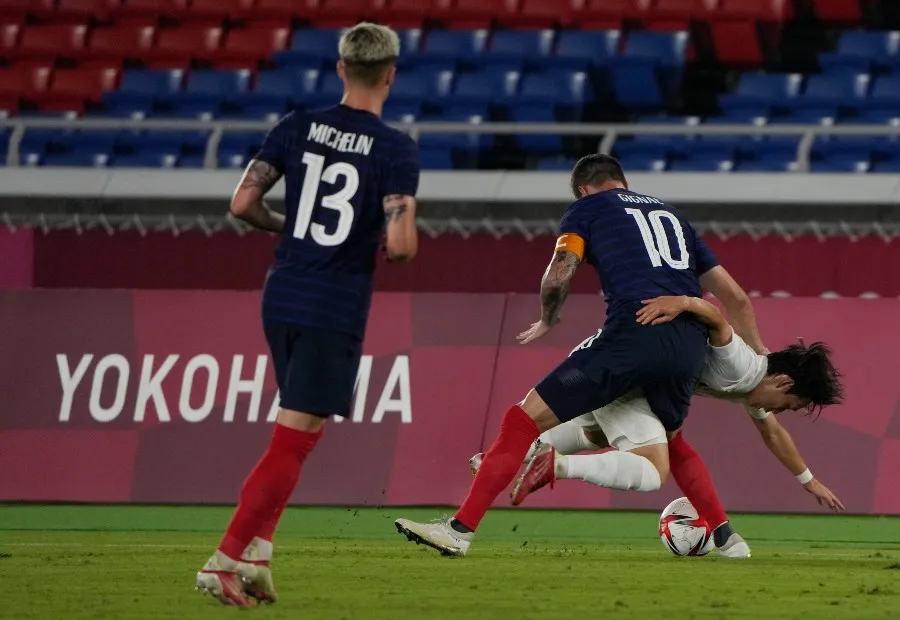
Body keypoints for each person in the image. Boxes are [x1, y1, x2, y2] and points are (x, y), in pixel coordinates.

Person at [195, 23, 419, 606]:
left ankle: (257, 554)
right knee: (291, 443)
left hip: (283, 292)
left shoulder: (297, 125)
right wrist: (390, 237)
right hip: (332, 303)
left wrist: (290, 227)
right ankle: (223, 559)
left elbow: (243, 203)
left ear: (341, 68)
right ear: (391, 75)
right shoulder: (395, 148)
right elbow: (400, 246)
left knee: (299, 433)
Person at [395, 154, 720, 557]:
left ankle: (460, 529)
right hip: (689, 349)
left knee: (521, 420)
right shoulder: (673, 215)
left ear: (584, 189)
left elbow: (558, 273)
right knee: (652, 453)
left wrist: (549, 316)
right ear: (622, 181)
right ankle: (729, 541)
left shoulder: (588, 208)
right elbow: (732, 293)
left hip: (630, 338)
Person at [482, 295, 845, 558]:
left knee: (594, 434)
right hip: (620, 371)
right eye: (789, 405)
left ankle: (501, 458)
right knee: (656, 466)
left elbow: (772, 432)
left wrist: (808, 480)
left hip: (616, 369)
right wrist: (683, 302)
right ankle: (555, 465)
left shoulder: (751, 388)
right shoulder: (741, 366)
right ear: (783, 382)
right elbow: (718, 318)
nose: (779, 412)